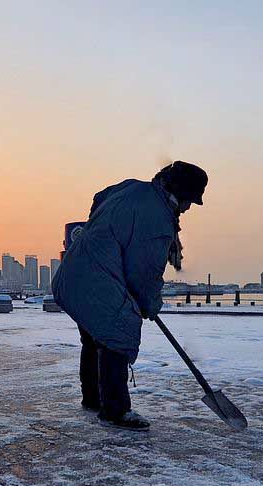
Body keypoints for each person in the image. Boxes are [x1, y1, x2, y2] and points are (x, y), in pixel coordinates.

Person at [53, 161, 207, 430]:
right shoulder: (158, 220)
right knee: (118, 333)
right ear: (179, 194)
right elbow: (144, 274)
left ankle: (93, 399)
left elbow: (99, 198)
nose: (188, 208)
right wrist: (149, 305)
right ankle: (115, 411)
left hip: (73, 274)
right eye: (190, 202)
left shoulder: (132, 188)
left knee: (94, 336)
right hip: (98, 280)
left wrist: (103, 230)